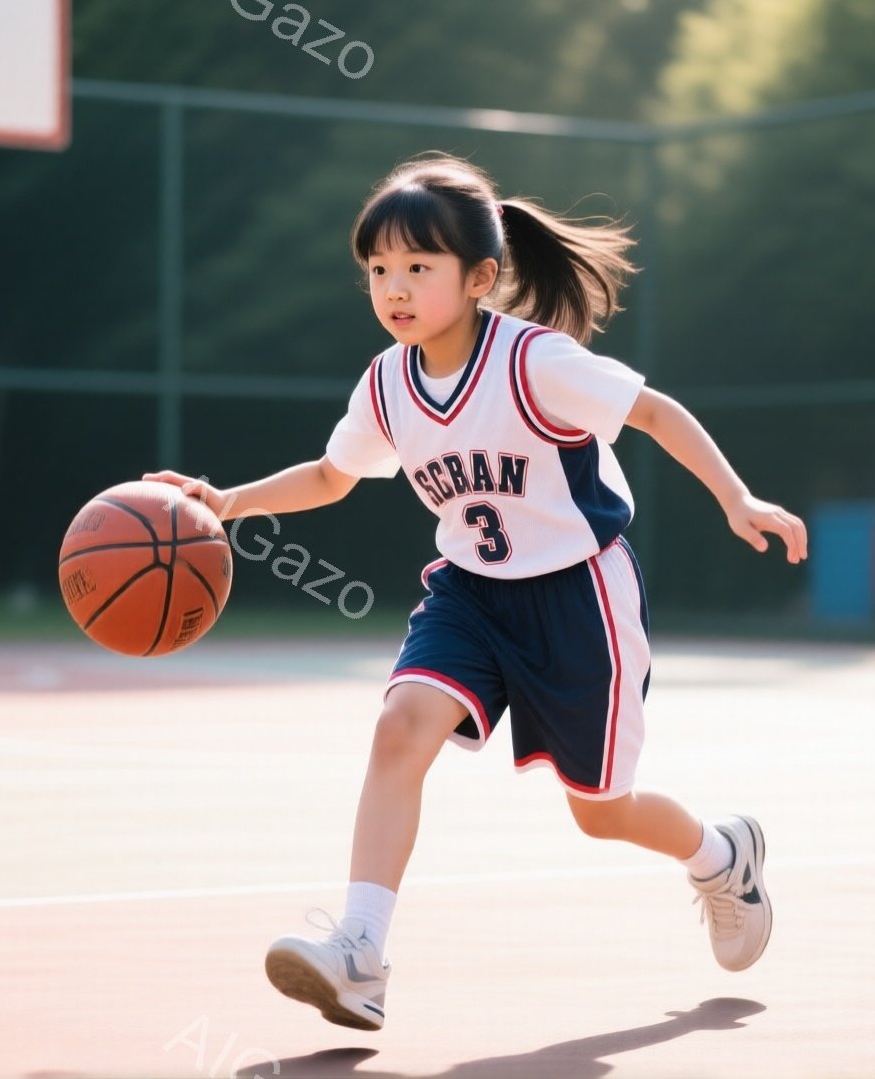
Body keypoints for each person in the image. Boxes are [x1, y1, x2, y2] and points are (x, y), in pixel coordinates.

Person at [143, 153, 808, 1031]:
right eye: (379, 269)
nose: (395, 287)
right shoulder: (387, 383)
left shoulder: (535, 362)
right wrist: (230, 502)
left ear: (480, 277)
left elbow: (655, 412)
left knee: (600, 812)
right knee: (398, 727)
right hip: (470, 594)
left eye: (419, 267)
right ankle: (360, 954)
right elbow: (331, 476)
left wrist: (736, 496)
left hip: (579, 597)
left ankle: (721, 854)